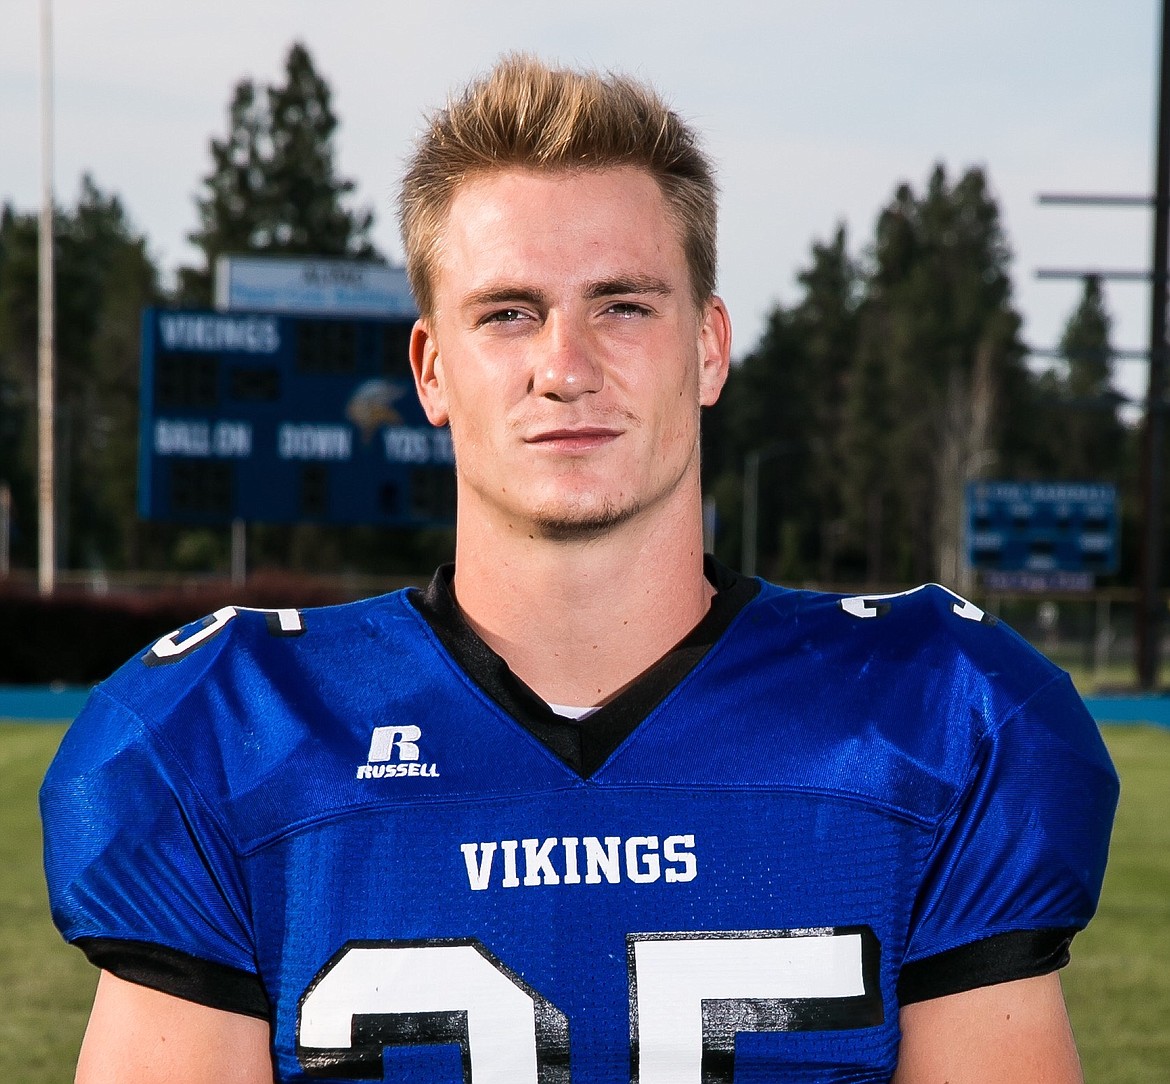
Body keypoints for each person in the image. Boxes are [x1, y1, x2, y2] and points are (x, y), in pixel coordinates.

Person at [42, 55, 1118, 1084]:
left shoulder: (930, 712)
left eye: (623, 305)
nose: (565, 368)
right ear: (431, 368)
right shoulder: (222, 734)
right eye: (509, 313)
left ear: (708, 345)